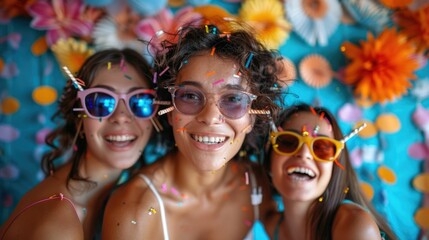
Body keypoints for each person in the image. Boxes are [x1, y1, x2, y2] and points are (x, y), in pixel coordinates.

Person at [102, 21, 285, 239]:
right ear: (169, 110)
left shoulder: (256, 183)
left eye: (233, 99)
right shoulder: (132, 212)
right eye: (189, 96)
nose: (209, 117)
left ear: (254, 115)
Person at [0, 48, 159, 240]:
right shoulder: (59, 224)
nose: (121, 117)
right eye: (101, 102)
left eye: (140, 101)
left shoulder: (103, 198)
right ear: (78, 118)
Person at [264, 103, 397, 240]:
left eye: (322, 148)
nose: (304, 154)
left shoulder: (353, 225)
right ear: (269, 158)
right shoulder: (267, 224)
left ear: (335, 167)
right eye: (288, 142)